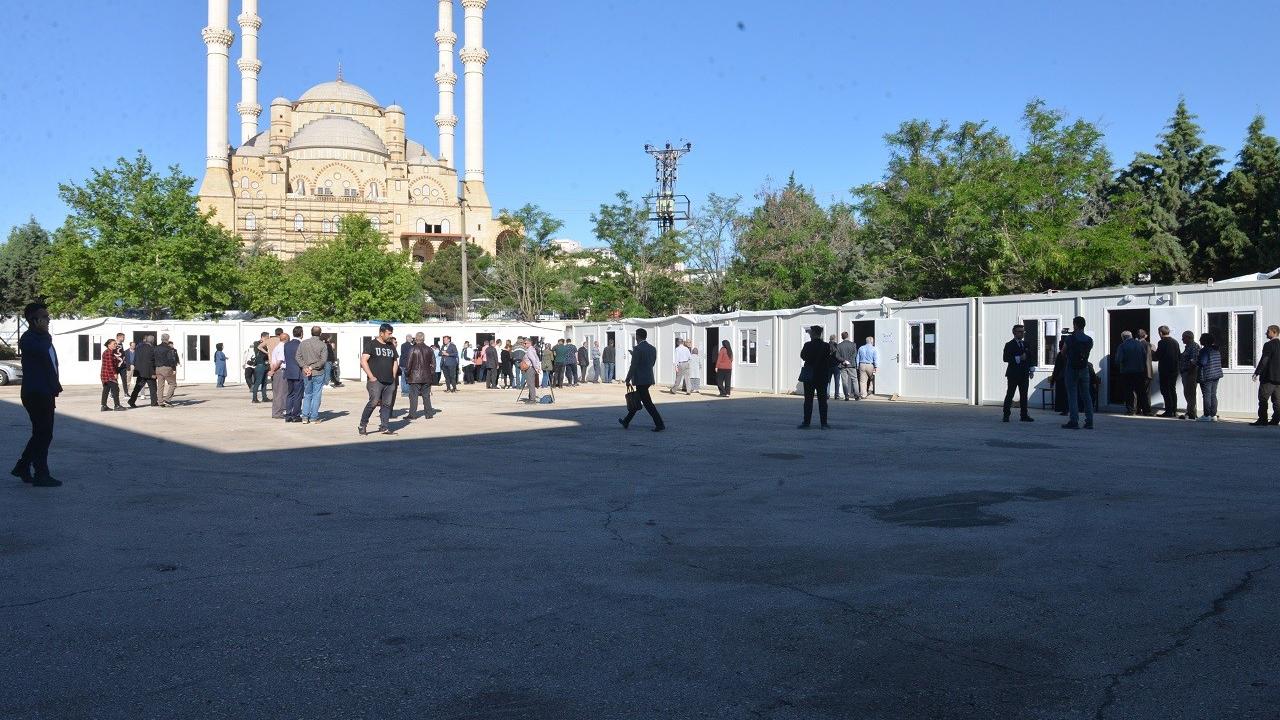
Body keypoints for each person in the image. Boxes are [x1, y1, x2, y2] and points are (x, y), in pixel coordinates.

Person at [11, 302, 62, 487]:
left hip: (44, 391)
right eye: (45, 317)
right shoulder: (29, 338)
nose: (48, 320)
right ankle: (41, 474)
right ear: (34, 320)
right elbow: (41, 350)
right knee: (44, 434)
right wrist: (45, 335)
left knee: (41, 433)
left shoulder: (40, 337)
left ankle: (23, 466)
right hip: (36, 393)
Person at [619, 328, 664, 431]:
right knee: (637, 399)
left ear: (637, 336)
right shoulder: (652, 348)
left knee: (647, 403)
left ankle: (660, 424)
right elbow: (651, 363)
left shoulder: (638, 349)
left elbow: (633, 366)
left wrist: (627, 379)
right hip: (648, 378)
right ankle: (626, 421)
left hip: (640, 379)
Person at [359, 323, 399, 435]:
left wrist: (393, 377)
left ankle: (384, 427)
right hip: (376, 381)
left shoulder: (390, 346)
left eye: (391, 333)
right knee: (373, 402)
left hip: (389, 381)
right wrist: (371, 377)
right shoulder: (371, 344)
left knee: (387, 405)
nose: (390, 336)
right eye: (389, 333)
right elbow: (363, 360)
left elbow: (395, 361)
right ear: (381, 333)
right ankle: (362, 425)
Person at [1061, 317, 1095, 430]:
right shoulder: (1089, 340)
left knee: (1072, 395)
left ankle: (1074, 421)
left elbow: (1063, 352)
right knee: (1086, 395)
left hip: (1071, 368)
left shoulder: (1070, 338)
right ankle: (1089, 421)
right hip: (1084, 368)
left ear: (1075, 325)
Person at [799, 325, 833, 429]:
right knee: (822, 401)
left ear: (813, 333)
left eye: (810, 333)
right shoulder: (826, 346)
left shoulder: (807, 345)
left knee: (808, 400)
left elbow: (802, 356)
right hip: (822, 375)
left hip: (810, 375)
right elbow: (828, 359)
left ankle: (806, 423)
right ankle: (824, 423)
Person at [1002, 325, 1035, 422]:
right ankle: (1006, 415)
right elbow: (1005, 358)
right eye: (1019, 331)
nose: (1021, 333)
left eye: (1022, 331)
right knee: (1010, 394)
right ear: (1014, 333)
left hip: (1024, 373)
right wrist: (1019, 358)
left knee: (1024, 395)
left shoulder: (1026, 344)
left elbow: (1030, 357)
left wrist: (1031, 370)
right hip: (1013, 374)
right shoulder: (1009, 344)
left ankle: (1024, 415)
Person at [297, 326, 329, 424]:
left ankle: (305, 417)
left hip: (306, 372)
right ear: (320, 333)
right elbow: (323, 361)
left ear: (311, 332)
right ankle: (313, 417)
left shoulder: (303, 343)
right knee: (316, 395)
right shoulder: (322, 345)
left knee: (307, 394)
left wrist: (305, 367)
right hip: (318, 372)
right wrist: (311, 367)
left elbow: (298, 357)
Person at [1250, 324, 1280, 427]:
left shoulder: (1268, 345)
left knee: (1263, 399)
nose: (1266, 333)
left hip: (1268, 377)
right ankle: (1276, 419)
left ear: (1274, 332)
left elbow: (1264, 359)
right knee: (1277, 400)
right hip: (1279, 379)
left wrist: (1257, 372)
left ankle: (1263, 419)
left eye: (1268, 331)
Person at [1114, 331, 1148, 416]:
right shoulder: (1139, 344)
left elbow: (1118, 360)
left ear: (1123, 338)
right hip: (1139, 371)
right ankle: (1146, 410)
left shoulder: (1122, 346)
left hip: (1127, 372)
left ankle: (1131, 410)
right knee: (1141, 391)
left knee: (1128, 392)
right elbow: (1145, 357)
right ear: (1131, 336)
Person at [404, 332, 436, 419]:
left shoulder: (413, 349)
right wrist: (431, 374)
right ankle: (429, 414)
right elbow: (433, 364)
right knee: (426, 396)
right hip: (427, 376)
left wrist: (407, 374)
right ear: (423, 338)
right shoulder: (429, 349)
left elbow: (408, 364)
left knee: (413, 396)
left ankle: (412, 414)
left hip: (414, 377)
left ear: (416, 338)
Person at [1152, 326, 1180, 417]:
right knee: (1172, 390)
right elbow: (1179, 356)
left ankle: (1168, 411)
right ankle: (1174, 410)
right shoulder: (1175, 342)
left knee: (1165, 390)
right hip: (1174, 370)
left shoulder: (1162, 342)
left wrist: (1153, 350)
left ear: (1160, 333)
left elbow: (1157, 356)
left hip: (1165, 370)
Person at [1197, 333, 1223, 422]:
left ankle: (1206, 415)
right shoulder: (1216, 350)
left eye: (1201, 339)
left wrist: (1195, 361)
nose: (1199, 340)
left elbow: (1202, 362)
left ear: (1205, 341)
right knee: (1213, 395)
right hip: (1216, 374)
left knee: (1206, 395)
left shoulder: (1204, 350)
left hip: (1207, 375)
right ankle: (1213, 415)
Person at [280, 326, 304, 422]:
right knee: (298, 395)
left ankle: (288, 414)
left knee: (290, 394)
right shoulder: (301, 344)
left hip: (289, 371)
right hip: (298, 372)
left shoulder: (286, 344)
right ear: (301, 333)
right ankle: (296, 415)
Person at [128, 334, 158, 408]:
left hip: (140, 371)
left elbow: (135, 359)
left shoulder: (138, 348)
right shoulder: (152, 349)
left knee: (137, 388)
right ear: (152, 341)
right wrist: (153, 372)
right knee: (153, 388)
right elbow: (152, 362)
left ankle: (131, 401)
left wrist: (136, 368)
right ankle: (154, 402)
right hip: (149, 372)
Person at [153, 334, 179, 407]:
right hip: (167, 368)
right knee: (173, 384)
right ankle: (167, 400)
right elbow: (171, 359)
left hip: (158, 368)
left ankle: (160, 402)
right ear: (168, 339)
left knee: (160, 385)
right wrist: (174, 368)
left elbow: (153, 358)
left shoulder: (156, 348)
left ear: (161, 339)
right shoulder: (169, 348)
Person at [268, 327, 289, 419]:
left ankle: (277, 412)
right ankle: (278, 412)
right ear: (286, 339)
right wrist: (272, 370)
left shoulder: (277, 347)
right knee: (281, 393)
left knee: (277, 393)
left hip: (277, 371)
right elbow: (280, 361)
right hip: (280, 371)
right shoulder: (282, 347)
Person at [100, 337, 124, 412]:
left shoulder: (109, 352)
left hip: (105, 374)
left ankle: (104, 406)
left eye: (116, 344)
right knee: (115, 390)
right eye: (114, 344)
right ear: (109, 345)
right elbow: (110, 365)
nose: (116, 345)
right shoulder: (109, 353)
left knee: (106, 390)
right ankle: (117, 405)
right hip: (109, 375)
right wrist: (115, 373)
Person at [1136, 328, 1156, 416]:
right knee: (1147, 392)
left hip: (1137, 371)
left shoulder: (1135, 345)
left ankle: (1137, 409)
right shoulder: (1150, 345)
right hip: (1148, 372)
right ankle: (1147, 410)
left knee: (1137, 391)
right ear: (1146, 336)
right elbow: (1155, 358)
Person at [834, 332, 857, 402]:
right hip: (851, 365)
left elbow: (837, 356)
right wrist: (848, 361)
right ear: (848, 336)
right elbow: (854, 354)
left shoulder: (839, 345)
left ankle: (846, 396)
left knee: (844, 381)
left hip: (843, 365)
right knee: (854, 380)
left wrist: (844, 360)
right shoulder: (853, 344)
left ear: (842, 337)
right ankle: (857, 396)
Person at [1049, 338, 1069, 415]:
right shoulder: (1070, 355)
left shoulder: (1060, 355)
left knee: (1062, 394)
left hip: (1061, 377)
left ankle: (1064, 409)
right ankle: (1066, 409)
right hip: (1069, 377)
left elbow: (1056, 368)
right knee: (1067, 394)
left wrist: (1053, 380)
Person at [520, 337, 542, 403]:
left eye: (525, 343)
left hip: (530, 368)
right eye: (524, 343)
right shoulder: (532, 349)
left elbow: (533, 360)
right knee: (531, 384)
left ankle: (532, 399)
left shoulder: (529, 350)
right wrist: (537, 367)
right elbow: (537, 359)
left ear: (529, 343)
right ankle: (531, 398)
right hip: (532, 368)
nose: (524, 345)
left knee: (531, 384)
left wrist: (536, 368)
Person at [250, 332, 270, 403]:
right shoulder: (257, 343)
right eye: (267, 337)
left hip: (265, 365)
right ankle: (254, 398)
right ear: (263, 337)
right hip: (260, 365)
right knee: (257, 382)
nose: (268, 339)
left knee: (264, 382)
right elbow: (259, 347)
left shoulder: (265, 345)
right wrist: (267, 352)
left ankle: (264, 397)